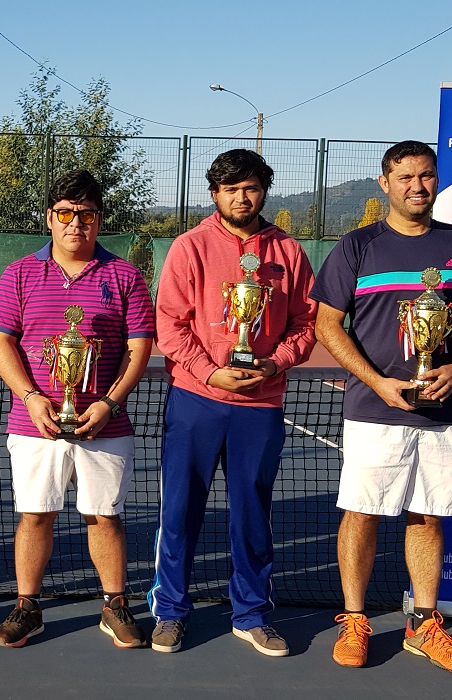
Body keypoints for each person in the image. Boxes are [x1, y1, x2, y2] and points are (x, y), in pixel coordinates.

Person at [311, 141, 452, 672]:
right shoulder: (357, 246)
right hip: (374, 410)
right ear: (385, 183)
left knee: (427, 517)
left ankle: (424, 624)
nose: (416, 186)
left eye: (425, 176)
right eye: (404, 177)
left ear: (436, 180)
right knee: (362, 513)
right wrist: (376, 381)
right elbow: (326, 324)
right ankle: (355, 620)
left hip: (444, 413)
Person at [150, 148, 317, 656]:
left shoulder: (287, 252)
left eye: (251, 187)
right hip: (195, 400)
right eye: (230, 189)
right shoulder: (189, 247)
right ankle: (171, 612)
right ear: (215, 194)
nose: (242, 197)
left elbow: (306, 324)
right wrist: (210, 371)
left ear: (264, 190)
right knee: (179, 511)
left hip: (260, 405)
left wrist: (273, 364)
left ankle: (250, 613)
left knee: (252, 513)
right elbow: (170, 325)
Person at [0, 170, 154, 649]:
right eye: (65, 213)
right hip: (34, 422)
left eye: (85, 214)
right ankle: (27, 607)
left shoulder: (124, 276)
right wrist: (31, 397)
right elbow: (2, 342)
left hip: (106, 424)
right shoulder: (19, 273)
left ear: (99, 220)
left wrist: (108, 402)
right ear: (49, 218)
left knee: (104, 515)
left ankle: (115, 605)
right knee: (35, 514)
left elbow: (138, 348)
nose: (75, 223)